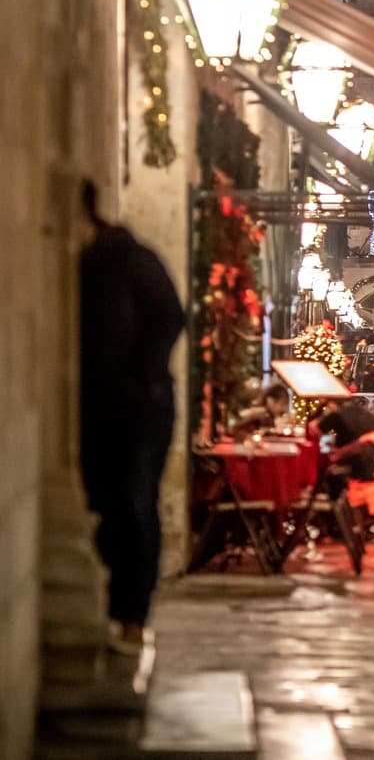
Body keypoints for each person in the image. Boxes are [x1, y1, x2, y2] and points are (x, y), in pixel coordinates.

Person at [77, 180, 185, 652]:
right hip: (133, 401)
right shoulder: (124, 259)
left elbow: (160, 321)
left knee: (132, 502)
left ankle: (131, 614)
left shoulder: (119, 261)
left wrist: (139, 377)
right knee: (123, 501)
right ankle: (126, 612)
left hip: (135, 406)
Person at [229, 381, 294, 438]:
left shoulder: (262, 414)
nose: (283, 409)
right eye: (281, 404)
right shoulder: (262, 416)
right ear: (270, 401)